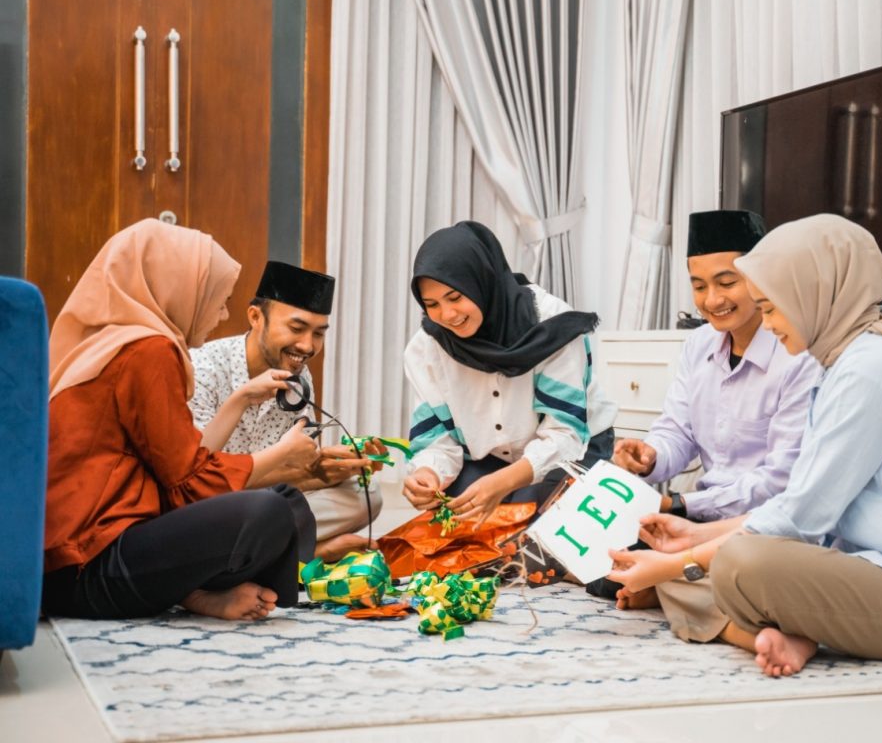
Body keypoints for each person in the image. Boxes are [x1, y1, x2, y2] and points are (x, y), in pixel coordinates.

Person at [608, 214, 882, 677]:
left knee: (730, 564)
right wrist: (692, 538)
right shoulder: (844, 359)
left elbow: (800, 516)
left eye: (772, 308)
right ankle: (785, 636)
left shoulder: (868, 369)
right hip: (859, 567)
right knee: (705, 564)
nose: (768, 325)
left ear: (814, 292)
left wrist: (678, 563)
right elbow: (799, 506)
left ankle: (764, 624)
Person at [41, 219, 320, 621]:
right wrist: (282, 455)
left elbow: (175, 465)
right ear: (181, 289)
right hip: (89, 566)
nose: (223, 313)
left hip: (76, 563)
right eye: (218, 298)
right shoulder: (148, 351)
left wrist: (240, 396)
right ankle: (202, 591)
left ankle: (194, 593)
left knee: (285, 501)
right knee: (270, 512)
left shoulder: (114, 341)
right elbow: (187, 479)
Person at [600, 210, 819, 603]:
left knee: (757, 571)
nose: (712, 300)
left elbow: (780, 480)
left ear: (760, 276)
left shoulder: (797, 357)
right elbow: (676, 431)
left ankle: (669, 587)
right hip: (695, 517)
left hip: (757, 525)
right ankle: (671, 584)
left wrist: (680, 503)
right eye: (699, 286)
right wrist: (650, 457)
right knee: (597, 556)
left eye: (727, 282)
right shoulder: (698, 345)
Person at [401, 221, 618, 524]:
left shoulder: (550, 326)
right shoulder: (426, 348)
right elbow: (437, 440)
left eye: (455, 297)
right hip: (489, 459)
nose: (447, 316)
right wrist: (428, 473)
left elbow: (564, 434)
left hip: (574, 449)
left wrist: (504, 484)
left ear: (482, 282)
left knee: (532, 541)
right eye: (431, 304)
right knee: (456, 535)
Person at [188, 260, 379, 560]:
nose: (307, 346)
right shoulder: (203, 367)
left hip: (264, 508)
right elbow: (196, 476)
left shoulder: (299, 378)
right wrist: (298, 473)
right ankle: (308, 554)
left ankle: (272, 552)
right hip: (208, 506)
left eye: (318, 333)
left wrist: (336, 465)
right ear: (255, 317)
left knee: (366, 496)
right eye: (296, 328)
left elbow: (292, 473)